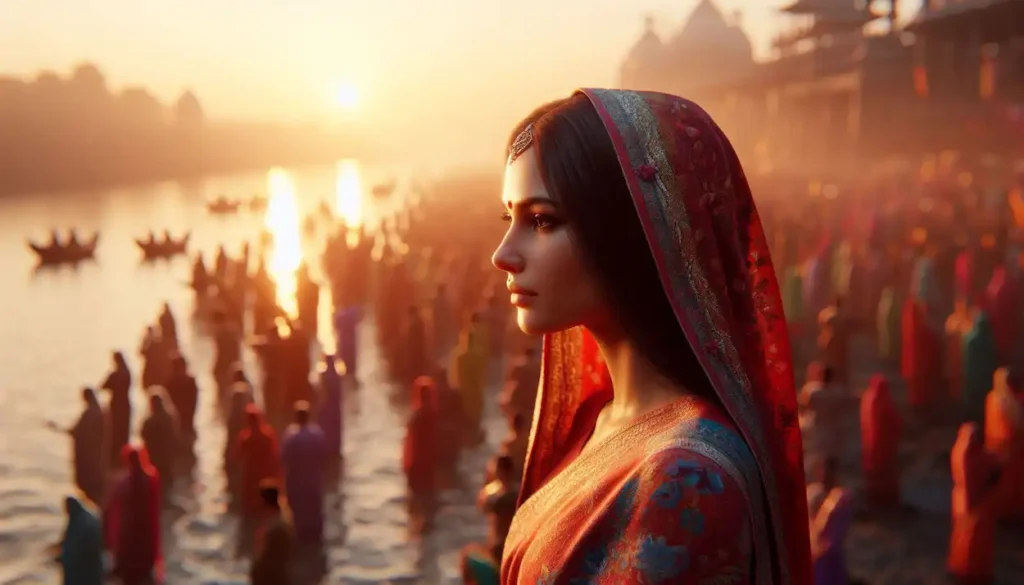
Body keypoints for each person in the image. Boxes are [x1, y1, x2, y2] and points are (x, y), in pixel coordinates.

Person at [491, 89, 810, 584]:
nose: (503, 254)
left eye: (541, 220)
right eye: (508, 218)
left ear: (634, 231)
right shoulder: (597, 421)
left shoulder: (688, 479)